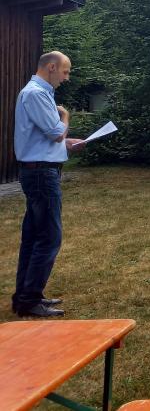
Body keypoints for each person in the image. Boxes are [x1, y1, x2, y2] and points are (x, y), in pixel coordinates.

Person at [12, 51, 83, 317]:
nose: (66, 78)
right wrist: (64, 116)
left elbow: (42, 138)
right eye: (65, 72)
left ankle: (25, 297)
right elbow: (54, 132)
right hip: (42, 174)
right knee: (49, 237)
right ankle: (29, 301)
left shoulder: (36, 93)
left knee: (33, 236)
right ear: (51, 67)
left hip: (38, 170)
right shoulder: (36, 94)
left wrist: (67, 143)